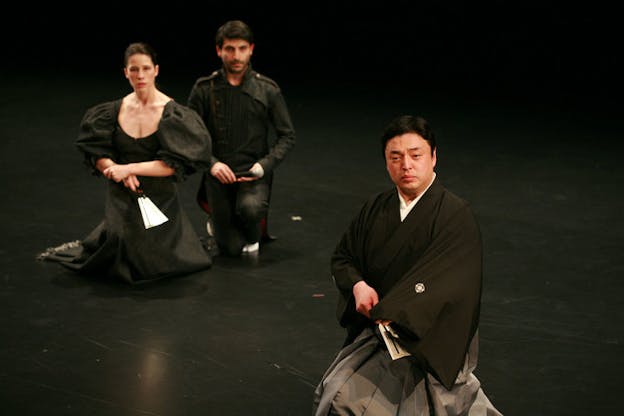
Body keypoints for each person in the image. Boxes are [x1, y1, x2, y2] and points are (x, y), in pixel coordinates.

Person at [312, 115, 502, 415]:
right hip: (379, 332)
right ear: (386, 163)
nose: (406, 165)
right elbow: (343, 257)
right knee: (337, 395)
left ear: (434, 157)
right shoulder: (376, 208)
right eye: (395, 157)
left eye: (416, 156)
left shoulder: (455, 215)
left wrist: (395, 312)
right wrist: (358, 286)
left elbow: (454, 283)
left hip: (430, 336)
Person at [37, 42, 213, 284]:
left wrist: (128, 168)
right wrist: (113, 170)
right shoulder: (113, 111)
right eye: (133, 69)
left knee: (150, 260)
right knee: (122, 246)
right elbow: (95, 151)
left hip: (158, 196)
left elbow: (173, 165)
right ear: (125, 73)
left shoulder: (173, 114)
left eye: (145, 68)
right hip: (122, 192)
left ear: (156, 70)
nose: (140, 75)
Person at [187, 20, 296, 257]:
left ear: (251, 49)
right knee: (232, 248)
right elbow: (190, 135)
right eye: (229, 49)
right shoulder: (204, 89)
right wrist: (212, 164)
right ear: (219, 50)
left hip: (252, 173)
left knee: (249, 209)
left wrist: (263, 166)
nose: (236, 56)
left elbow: (287, 135)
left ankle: (250, 220)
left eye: (242, 48)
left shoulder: (267, 89)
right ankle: (219, 220)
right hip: (219, 173)